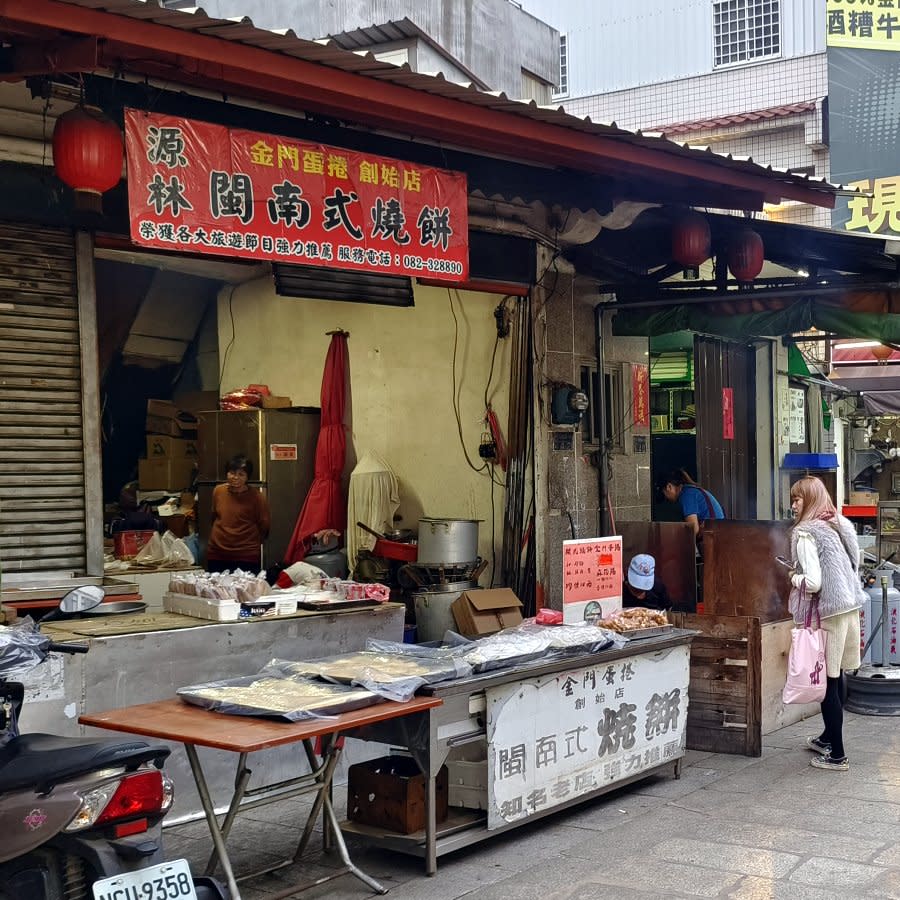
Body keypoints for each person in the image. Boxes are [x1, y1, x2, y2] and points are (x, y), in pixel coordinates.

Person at [789, 475, 865, 772]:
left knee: (827, 684)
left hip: (828, 614)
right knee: (838, 676)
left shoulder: (806, 533)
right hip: (849, 608)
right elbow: (855, 562)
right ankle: (827, 738)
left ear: (808, 500)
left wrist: (792, 577)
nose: (793, 505)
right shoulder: (838, 525)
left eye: (797, 499)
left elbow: (812, 582)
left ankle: (837, 755)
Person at [206, 454, 271, 573]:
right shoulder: (218, 491)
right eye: (232, 473)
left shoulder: (257, 497)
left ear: (247, 477)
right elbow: (214, 516)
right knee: (216, 589)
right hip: (217, 552)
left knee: (245, 590)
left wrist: (250, 542)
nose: (235, 477)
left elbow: (264, 525)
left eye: (241, 474)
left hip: (246, 554)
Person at [659, 469, 725, 538]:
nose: (666, 498)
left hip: (715, 538)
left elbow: (693, 530)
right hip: (717, 534)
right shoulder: (691, 490)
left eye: (664, 493)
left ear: (669, 487)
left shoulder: (687, 494)